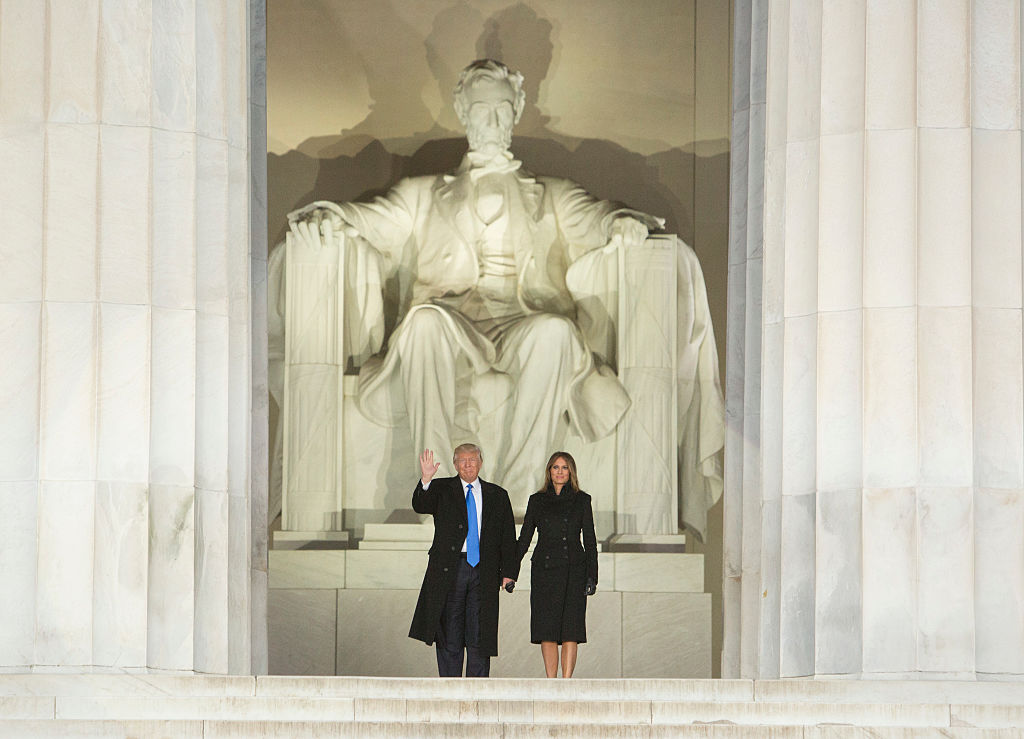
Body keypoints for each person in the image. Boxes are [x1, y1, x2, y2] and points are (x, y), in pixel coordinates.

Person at [282, 58, 662, 489]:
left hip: (523, 323)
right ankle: (441, 491)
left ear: (517, 111)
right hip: (452, 322)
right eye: (482, 109)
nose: (493, 119)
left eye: (502, 108)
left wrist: (622, 223)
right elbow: (372, 218)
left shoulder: (553, 193)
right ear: (463, 112)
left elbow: (596, 216)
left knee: (556, 333)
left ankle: (521, 494)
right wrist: (332, 218)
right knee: (422, 323)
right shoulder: (421, 193)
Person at [408, 444, 518, 677]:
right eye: (462, 460)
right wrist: (426, 480)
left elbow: (508, 537)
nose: (468, 465)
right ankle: (450, 690)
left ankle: (477, 692)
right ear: (455, 464)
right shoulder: (441, 489)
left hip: (484, 571)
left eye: (472, 460)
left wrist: (509, 572)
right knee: (450, 630)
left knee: (480, 633)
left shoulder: (497, 495)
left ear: (480, 463)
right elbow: (421, 505)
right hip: (451, 569)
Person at [516, 451, 597, 678]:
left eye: (564, 467)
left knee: (571, 629)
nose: (560, 471)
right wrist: (509, 572)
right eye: (555, 467)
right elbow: (524, 538)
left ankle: (566, 682)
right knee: (547, 628)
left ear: (570, 471)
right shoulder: (537, 500)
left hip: (574, 571)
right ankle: (551, 682)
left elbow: (589, 540)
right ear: (549, 471)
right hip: (545, 571)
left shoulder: (582, 500)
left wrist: (592, 576)